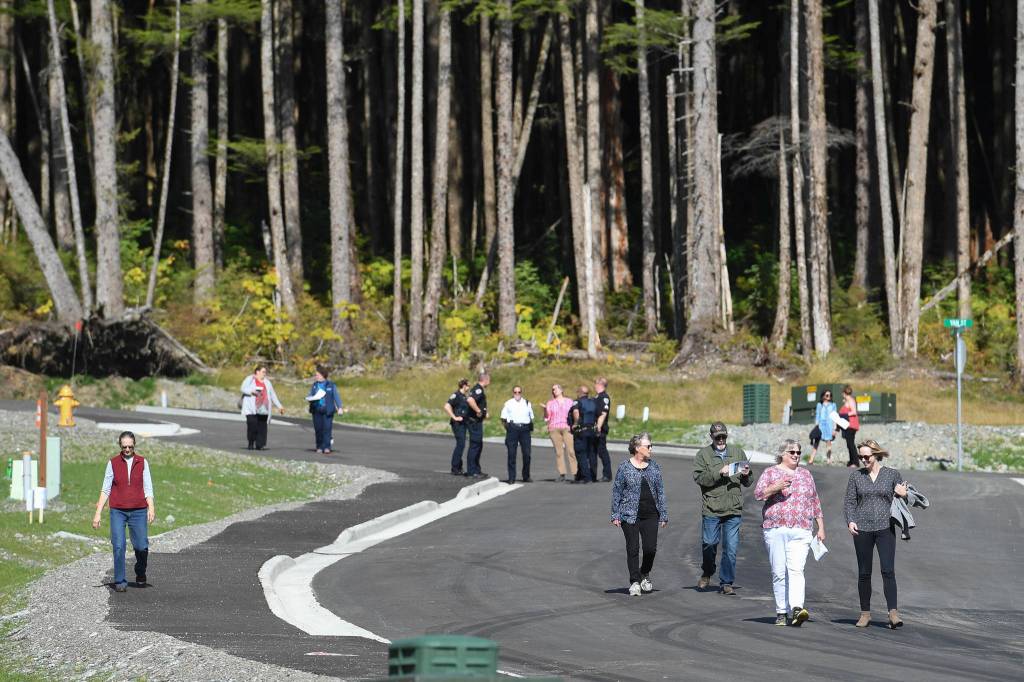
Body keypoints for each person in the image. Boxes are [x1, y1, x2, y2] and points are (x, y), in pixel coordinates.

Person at [754, 439, 826, 626]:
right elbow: (758, 494)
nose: (796, 455)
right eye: (791, 452)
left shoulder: (806, 474)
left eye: (798, 452)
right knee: (779, 571)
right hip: (776, 528)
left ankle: (796, 608)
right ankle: (781, 612)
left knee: (796, 570)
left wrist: (821, 526)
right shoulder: (770, 472)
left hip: (802, 529)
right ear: (782, 454)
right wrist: (775, 487)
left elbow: (814, 500)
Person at [844, 439, 909, 629]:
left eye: (867, 456)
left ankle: (893, 613)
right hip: (862, 528)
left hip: (885, 527)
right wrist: (850, 520)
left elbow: (907, 495)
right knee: (864, 573)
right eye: (861, 457)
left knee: (888, 570)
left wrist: (903, 493)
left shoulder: (891, 474)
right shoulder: (856, 477)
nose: (864, 460)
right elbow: (849, 502)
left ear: (876, 454)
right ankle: (865, 614)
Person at [693, 422, 752, 595]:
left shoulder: (737, 452)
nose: (720, 440)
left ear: (727, 436)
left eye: (723, 436)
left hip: (733, 508)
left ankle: (726, 582)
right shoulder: (703, 455)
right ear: (711, 436)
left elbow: (748, 482)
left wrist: (747, 473)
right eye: (717, 437)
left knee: (731, 549)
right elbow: (699, 478)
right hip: (712, 507)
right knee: (709, 543)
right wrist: (720, 472)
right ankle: (707, 571)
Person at [91, 431, 154, 592]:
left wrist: (151, 507)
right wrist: (98, 513)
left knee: (141, 546)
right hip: (118, 510)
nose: (127, 449)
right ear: (120, 445)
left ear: (134, 445)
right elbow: (105, 489)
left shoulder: (142, 462)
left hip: (139, 510)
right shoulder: (112, 463)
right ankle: (120, 580)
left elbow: (148, 487)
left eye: (130, 446)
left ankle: (140, 572)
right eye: (124, 446)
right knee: (118, 545)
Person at [611, 433, 668, 596]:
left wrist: (663, 514)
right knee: (633, 548)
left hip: (651, 514)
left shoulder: (654, 466)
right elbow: (617, 491)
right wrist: (615, 514)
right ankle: (635, 581)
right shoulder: (624, 467)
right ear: (637, 448)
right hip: (629, 515)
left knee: (650, 549)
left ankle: (644, 573)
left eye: (651, 446)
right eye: (648, 446)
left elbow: (661, 491)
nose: (651, 449)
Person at [240, 365, 284, 450]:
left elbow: (272, 395)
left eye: (265, 372)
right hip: (251, 408)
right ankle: (251, 442)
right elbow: (242, 388)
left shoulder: (267, 382)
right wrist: (251, 392)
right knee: (252, 426)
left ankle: (260, 444)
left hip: (264, 408)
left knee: (262, 427)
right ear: (257, 372)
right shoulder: (250, 379)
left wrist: (280, 406)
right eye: (263, 372)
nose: (265, 373)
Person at [500, 385, 535, 483]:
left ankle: (526, 476)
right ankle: (512, 477)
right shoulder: (508, 403)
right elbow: (503, 418)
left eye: (519, 392)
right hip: (513, 429)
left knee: (527, 454)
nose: (517, 394)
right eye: (515, 392)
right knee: (512, 454)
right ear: (513, 393)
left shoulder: (527, 403)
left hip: (525, 429)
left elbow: (531, 416)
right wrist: (508, 428)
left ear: (521, 393)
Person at [544, 383, 577, 482]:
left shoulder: (569, 401)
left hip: (567, 427)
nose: (554, 391)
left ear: (561, 390)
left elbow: (574, 413)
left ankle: (575, 473)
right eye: (553, 389)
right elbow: (547, 417)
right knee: (559, 452)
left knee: (571, 451)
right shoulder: (550, 403)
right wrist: (545, 410)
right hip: (554, 428)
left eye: (556, 389)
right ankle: (562, 473)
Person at [307, 365, 344, 454]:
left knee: (327, 429)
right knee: (318, 429)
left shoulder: (331, 385)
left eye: (317, 375)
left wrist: (340, 407)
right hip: (316, 410)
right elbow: (310, 395)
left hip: (328, 410)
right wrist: (309, 398)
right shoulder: (315, 385)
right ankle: (319, 446)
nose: (316, 377)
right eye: (316, 375)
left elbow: (336, 397)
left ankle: (327, 447)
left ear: (323, 375)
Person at [570, 385, 599, 483]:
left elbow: (575, 412)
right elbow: (597, 415)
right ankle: (591, 476)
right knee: (591, 454)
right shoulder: (593, 402)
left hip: (581, 431)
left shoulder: (577, 402)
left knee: (581, 454)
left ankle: (587, 477)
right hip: (592, 431)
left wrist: (575, 424)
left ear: (580, 393)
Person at [464, 372, 491, 478]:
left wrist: (484, 412)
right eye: (489, 380)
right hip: (474, 422)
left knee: (478, 445)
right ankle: (471, 471)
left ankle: (477, 469)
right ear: (486, 380)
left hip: (477, 422)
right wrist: (478, 411)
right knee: (475, 445)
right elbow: (470, 400)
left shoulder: (478, 389)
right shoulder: (478, 389)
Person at [444, 379, 471, 475]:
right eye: (468, 385)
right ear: (463, 386)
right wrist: (454, 417)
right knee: (461, 444)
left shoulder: (464, 396)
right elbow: (447, 406)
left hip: (463, 423)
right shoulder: (456, 395)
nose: (469, 387)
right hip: (457, 424)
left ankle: (459, 467)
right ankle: (455, 467)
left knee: (461, 444)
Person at [808, 389, 837, 465]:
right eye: (827, 395)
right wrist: (816, 425)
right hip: (821, 426)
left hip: (829, 425)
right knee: (816, 442)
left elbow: (835, 417)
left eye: (830, 395)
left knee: (828, 442)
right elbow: (817, 415)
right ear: (823, 396)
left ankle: (829, 460)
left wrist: (834, 428)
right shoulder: (819, 404)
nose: (829, 397)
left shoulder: (833, 405)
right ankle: (811, 459)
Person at [593, 377, 613, 482]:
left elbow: (603, 414)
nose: (594, 385)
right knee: (593, 452)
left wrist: (598, 427)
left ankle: (607, 475)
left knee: (602, 451)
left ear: (601, 384)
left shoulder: (604, 397)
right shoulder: (596, 397)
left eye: (595, 383)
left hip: (600, 428)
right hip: (594, 427)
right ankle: (592, 474)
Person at [838, 385, 861, 467]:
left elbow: (854, 412)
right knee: (849, 444)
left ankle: (855, 462)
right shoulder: (847, 401)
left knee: (851, 444)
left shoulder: (850, 400)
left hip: (851, 425)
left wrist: (845, 415)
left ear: (844, 393)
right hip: (847, 425)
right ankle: (851, 461)